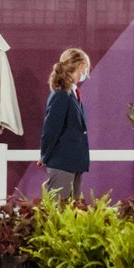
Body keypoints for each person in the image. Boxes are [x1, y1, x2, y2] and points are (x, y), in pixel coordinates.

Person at [38, 48, 91, 201]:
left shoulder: (72, 93)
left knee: (71, 213)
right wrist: (45, 155)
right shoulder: (61, 94)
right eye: (85, 67)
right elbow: (51, 129)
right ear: (81, 66)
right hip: (62, 163)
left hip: (74, 162)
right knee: (57, 213)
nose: (85, 72)